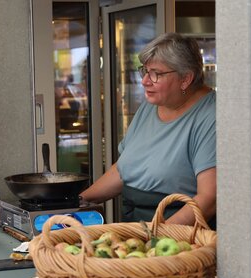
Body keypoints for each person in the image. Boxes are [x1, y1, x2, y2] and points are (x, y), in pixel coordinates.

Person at [80, 32, 216, 228]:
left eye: (156, 73)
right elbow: (124, 170)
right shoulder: (150, 106)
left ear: (185, 79)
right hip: (137, 228)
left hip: (178, 235)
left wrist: (155, 238)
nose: (144, 81)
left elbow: (209, 198)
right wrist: (80, 199)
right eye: (144, 71)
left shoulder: (211, 116)